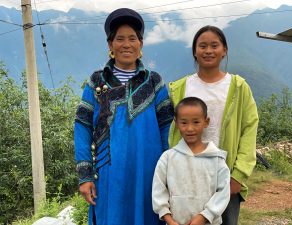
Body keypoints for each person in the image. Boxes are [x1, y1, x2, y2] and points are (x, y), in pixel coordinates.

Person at [74, 8, 174, 225]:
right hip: (109, 173)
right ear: (110, 45)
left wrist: (172, 174)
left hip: (149, 173)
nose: (126, 44)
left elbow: (168, 129)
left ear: (141, 44)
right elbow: (82, 127)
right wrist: (85, 176)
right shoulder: (96, 82)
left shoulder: (154, 83)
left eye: (132, 38)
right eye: (120, 39)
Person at [168, 25, 259, 225]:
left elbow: (249, 129)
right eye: (202, 46)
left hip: (224, 178)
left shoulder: (238, 87)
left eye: (214, 45)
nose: (208, 50)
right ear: (194, 51)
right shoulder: (180, 88)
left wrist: (238, 175)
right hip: (186, 178)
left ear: (224, 50)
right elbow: (171, 130)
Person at [152, 97, 230, 225]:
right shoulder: (168, 158)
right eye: (184, 123)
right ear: (176, 123)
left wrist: (205, 216)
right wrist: (169, 219)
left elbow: (223, 193)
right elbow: (158, 189)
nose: (190, 128)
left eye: (196, 122)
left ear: (206, 122)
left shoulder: (216, 159)